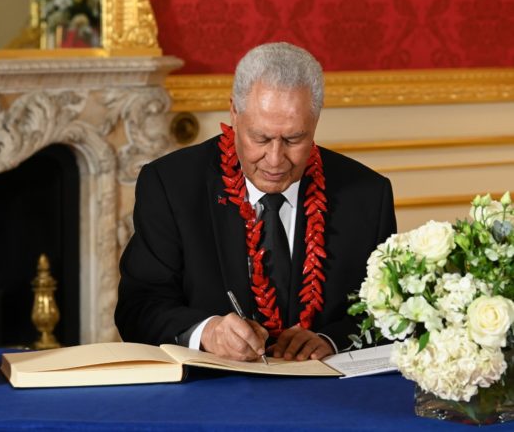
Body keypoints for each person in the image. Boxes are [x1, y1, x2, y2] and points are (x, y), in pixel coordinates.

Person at [115, 42, 396, 362]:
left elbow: (391, 313)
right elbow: (138, 308)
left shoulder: (368, 195)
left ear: (316, 120)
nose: (275, 160)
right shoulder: (171, 185)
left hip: (327, 393)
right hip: (213, 395)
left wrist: (331, 340)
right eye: (260, 138)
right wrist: (206, 332)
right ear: (234, 112)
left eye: (293, 139)